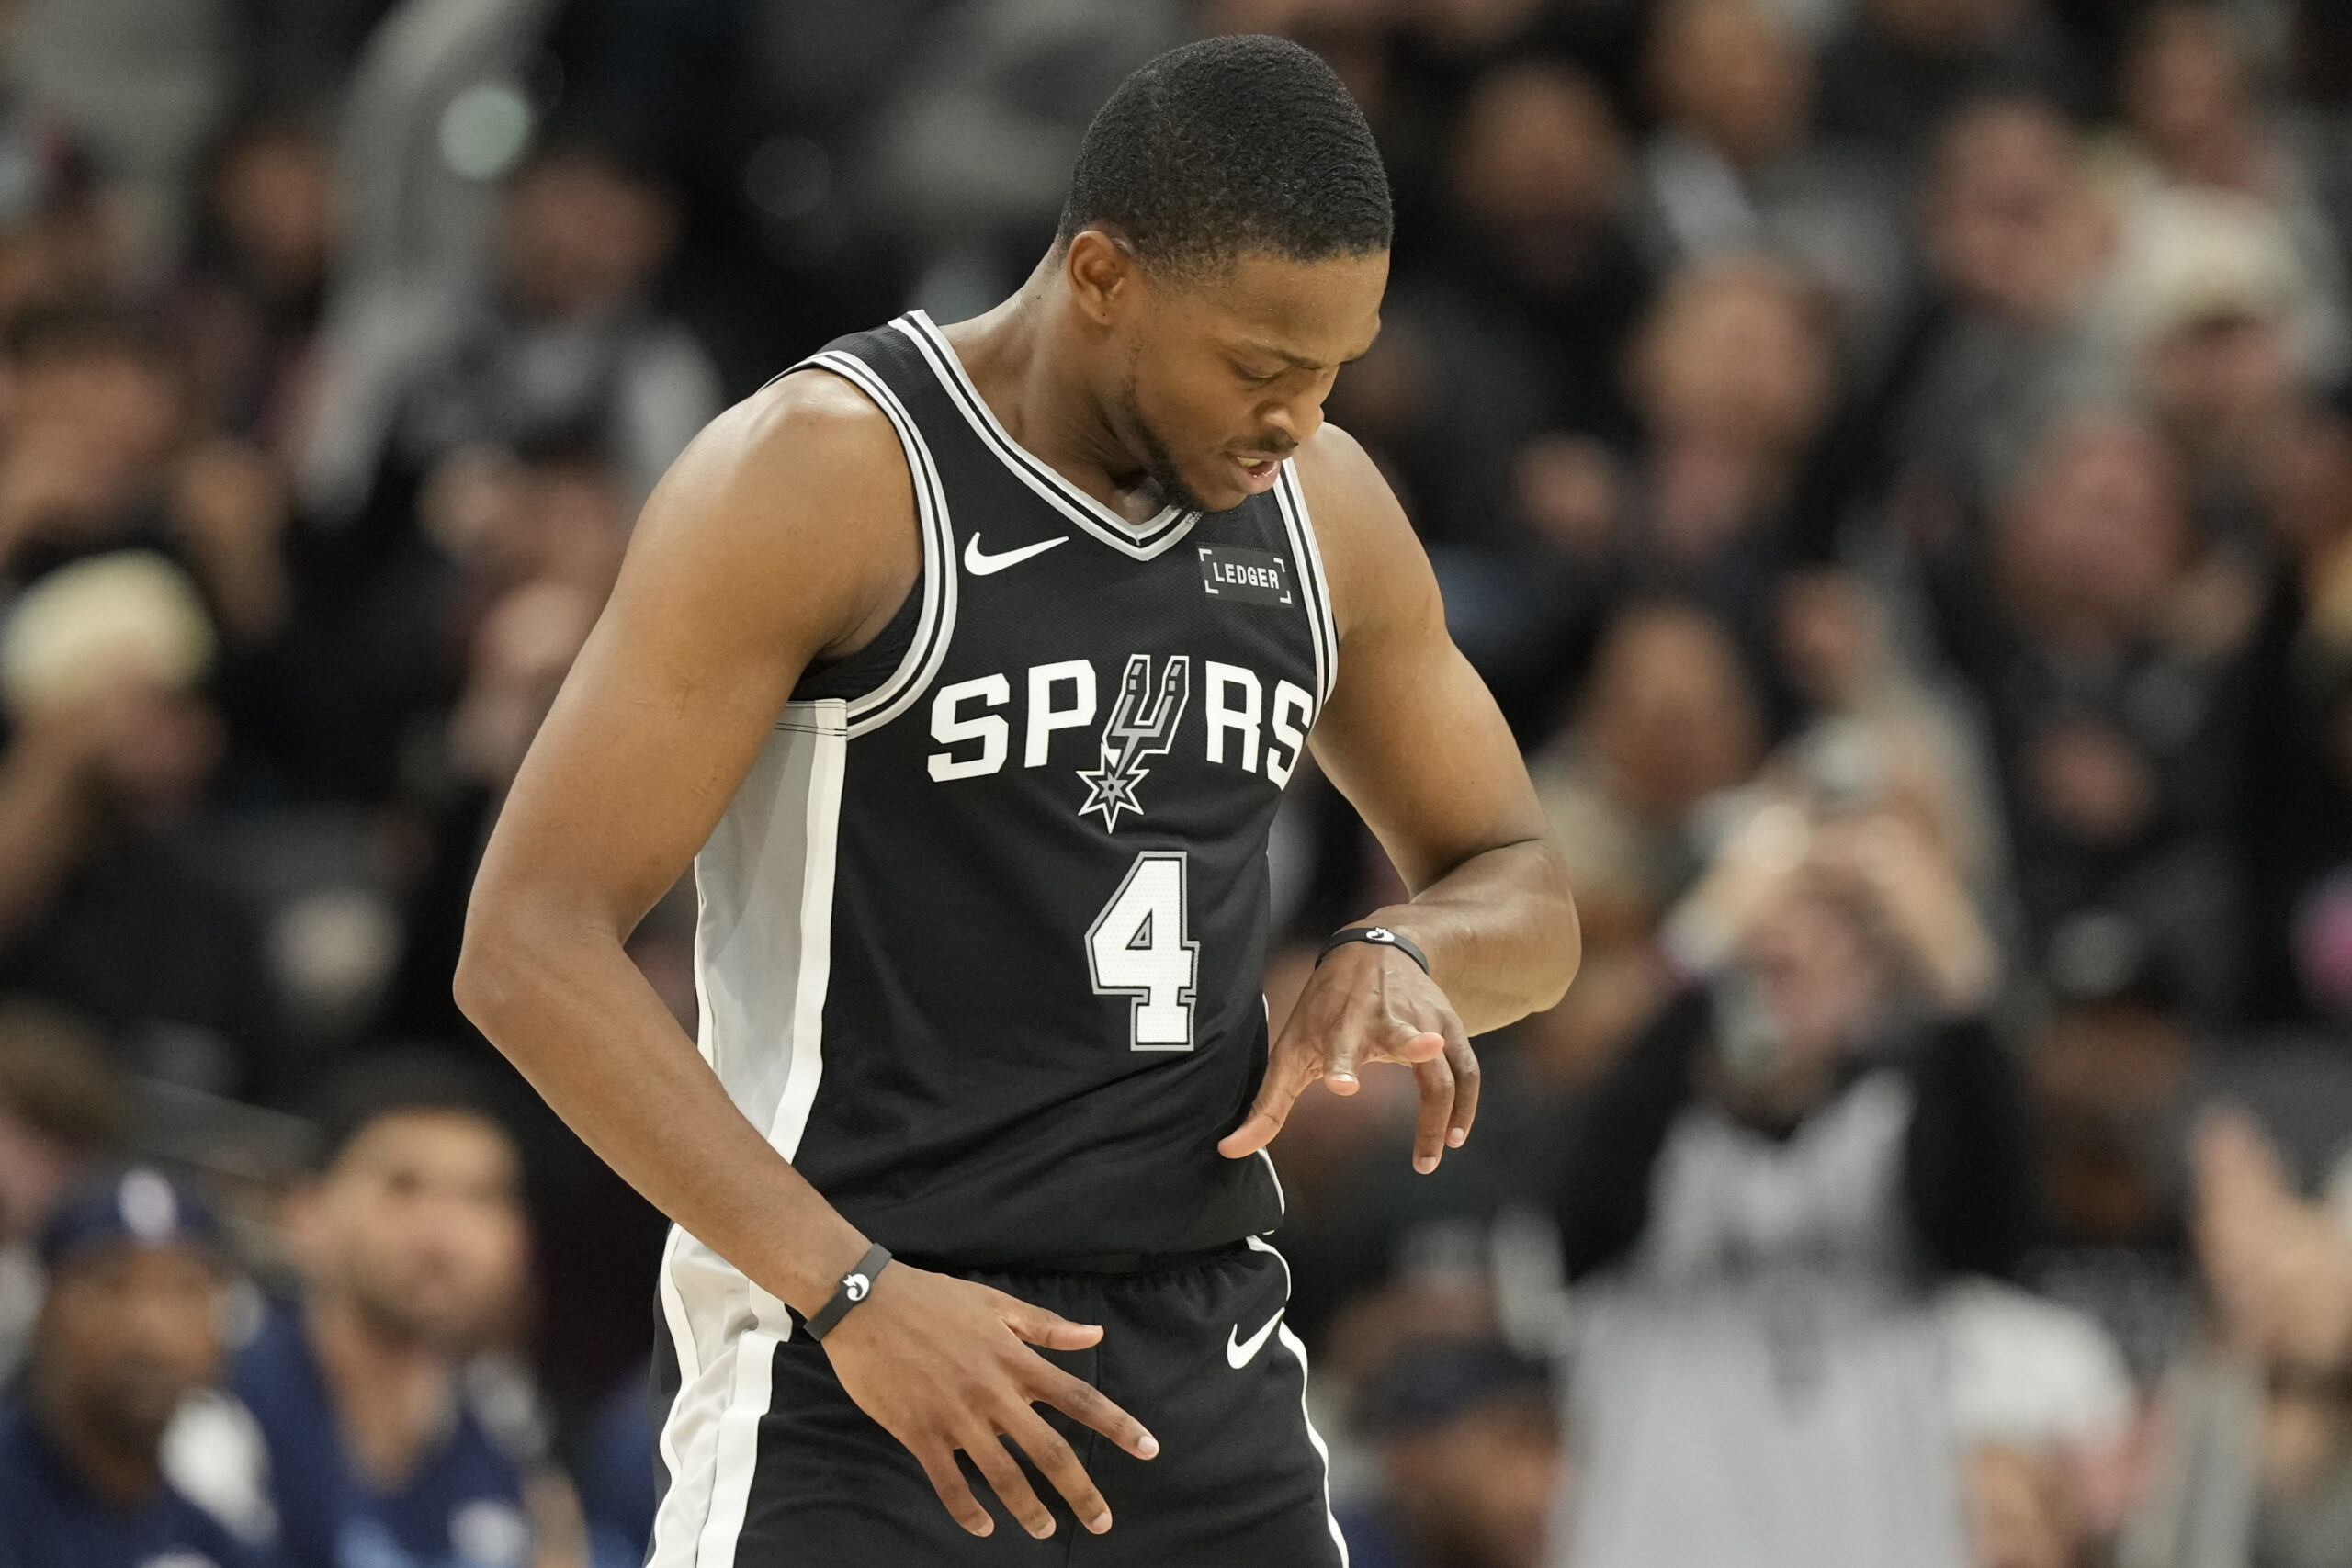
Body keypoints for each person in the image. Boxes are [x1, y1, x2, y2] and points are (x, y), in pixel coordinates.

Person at [456, 33, 1578, 1566]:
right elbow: (528, 942)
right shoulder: (827, 472)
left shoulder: (1325, 512)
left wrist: (1411, 951)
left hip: (1204, 1360)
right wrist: (847, 1290)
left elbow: (1523, 879)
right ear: (1104, 276)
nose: (1298, 420)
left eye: (1334, 371)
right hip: (863, 1349)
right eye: (1260, 366)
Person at [225, 1054, 576, 1568]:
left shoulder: (518, 1447)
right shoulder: (213, 1399)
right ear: (305, 1215)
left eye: (481, 1197)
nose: (443, 1237)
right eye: (403, 1187)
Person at [0, 1165, 266, 1568]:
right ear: (44, 1311)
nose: (148, 1329)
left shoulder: (215, 1544)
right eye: (111, 1284)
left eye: (185, 1289)